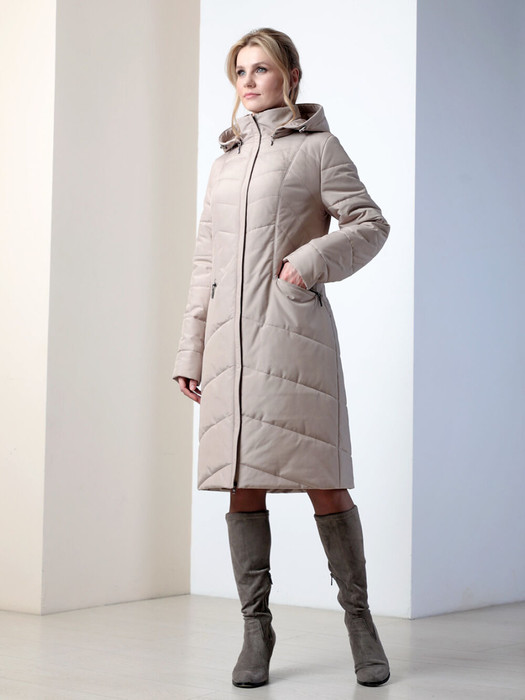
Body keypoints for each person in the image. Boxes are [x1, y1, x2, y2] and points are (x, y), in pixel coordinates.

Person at [174, 27, 390, 689]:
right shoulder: (225, 162)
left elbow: (368, 223)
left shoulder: (318, 148)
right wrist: (191, 348)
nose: (248, 81)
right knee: (242, 479)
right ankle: (255, 630)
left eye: (261, 69)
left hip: (291, 337)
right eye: (240, 70)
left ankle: (360, 623)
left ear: (290, 76)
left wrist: (309, 260)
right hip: (229, 345)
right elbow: (206, 262)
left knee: (324, 479)